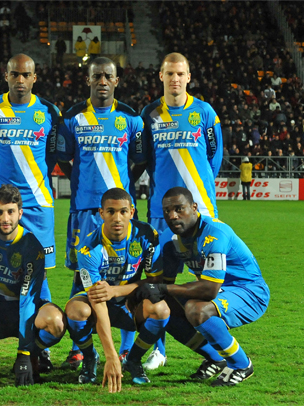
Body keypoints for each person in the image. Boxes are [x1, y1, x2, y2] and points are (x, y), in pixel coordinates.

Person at [136, 52, 223, 369]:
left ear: (188, 77)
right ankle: (158, 350)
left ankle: (219, 353)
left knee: (208, 288)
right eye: (169, 73)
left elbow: (214, 157)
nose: (175, 79)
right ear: (161, 76)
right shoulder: (148, 114)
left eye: (180, 73)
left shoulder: (205, 112)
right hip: (161, 216)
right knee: (157, 284)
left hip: (201, 215)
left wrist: (200, 193)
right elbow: (145, 159)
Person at [56, 57, 144, 369]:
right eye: (97, 76)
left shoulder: (131, 118)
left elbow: (139, 161)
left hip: (119, 212)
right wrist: (82, 184)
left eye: (108, 76)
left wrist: (123, 190)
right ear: (89, 80)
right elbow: (63, 159)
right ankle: (79, 348)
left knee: (128, 273)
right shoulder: (72, 117)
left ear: (117, 80)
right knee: (80, 276)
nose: (102, 81)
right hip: (84, 210)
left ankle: (126, 349)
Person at [135, 187, 269, 386]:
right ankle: (215, 358)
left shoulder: (214, 233)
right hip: (219, 290)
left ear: (194, 207)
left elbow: (209, 289)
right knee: (163, 307)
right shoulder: (170, 239)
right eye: (167, 211)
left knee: (197, 310)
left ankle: (241, 364)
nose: (172, 216)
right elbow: (165, 284)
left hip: (250, 292)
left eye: (179, 209)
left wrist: (162, 289)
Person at [0, 185, 66, 385]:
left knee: (56, 322)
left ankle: (34, 354)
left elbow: (28, 299)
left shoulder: (31, 245)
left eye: (10, 212)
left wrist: (24, 353)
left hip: (26, 308)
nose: (5, 219)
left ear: (20, 213)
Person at [65, 188, 163, 391]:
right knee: (76, 310)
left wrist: (116, 291)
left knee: (161, 309)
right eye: (111, 211)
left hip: (129, 301)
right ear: (101, 213)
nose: (117, 218)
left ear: (132, 212)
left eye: (123, 211)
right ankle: (90, 357)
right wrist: (110, 356)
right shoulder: (87, 248)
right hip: (98, 302)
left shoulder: (146, 235)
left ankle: (133, 359)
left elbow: (155, 281)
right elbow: (97, 300)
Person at [0, 53, 61, 272]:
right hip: (1, 205)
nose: (20, 80)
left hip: (38, 202)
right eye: (15, 74)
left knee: (39, 272)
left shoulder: (50, 112)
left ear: (34, 78)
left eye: (26, 75)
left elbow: (52, 154)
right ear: (6, 76)